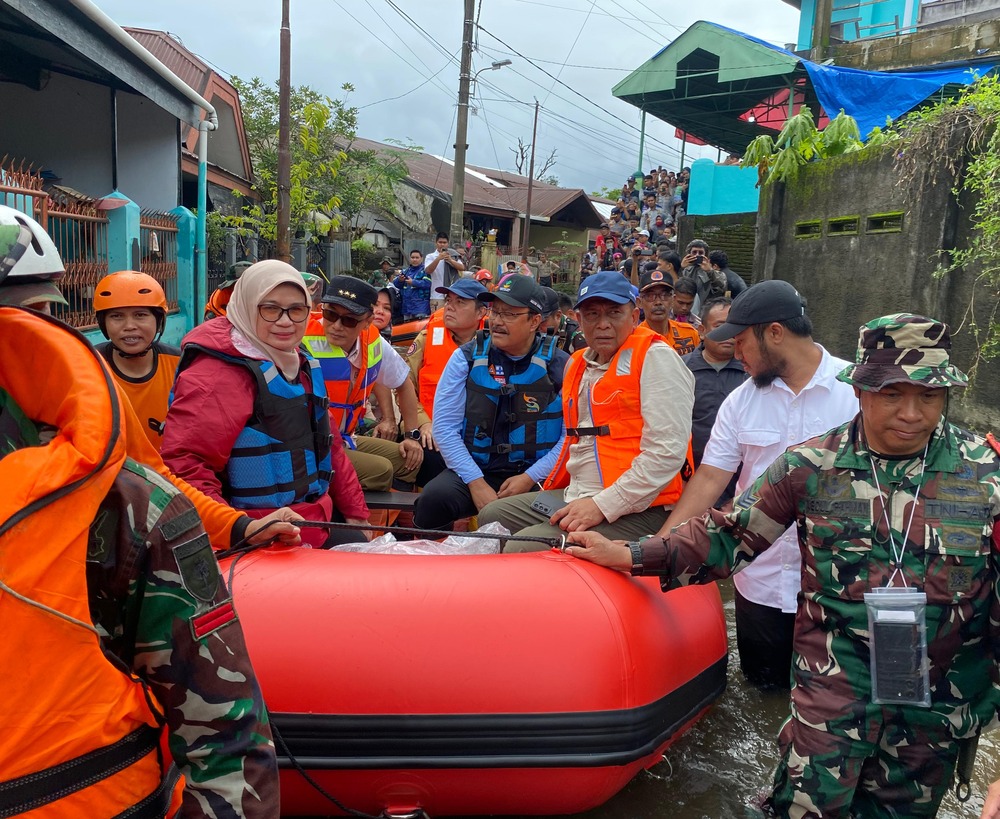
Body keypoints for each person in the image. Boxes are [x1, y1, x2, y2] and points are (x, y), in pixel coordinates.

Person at [567, 313, 1000, 818]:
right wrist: (630, 554)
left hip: (939, 706)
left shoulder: (986, 474)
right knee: (800, 808)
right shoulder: (811, 466)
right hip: (833, 692)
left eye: (928, 396)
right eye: (892, 394)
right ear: (859, 391)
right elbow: (729, 536)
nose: (911, 413)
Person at [0, 220, 280, 816]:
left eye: (142, 316)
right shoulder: (104, 432)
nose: (132, 328)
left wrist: (237, 526)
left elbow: (161, 480)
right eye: (118, 318)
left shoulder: (119, 444)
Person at [0, 205, 300, 552]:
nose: (36, 328)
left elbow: (154, 475)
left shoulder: (84, 385)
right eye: (17, 315)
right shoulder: (93, 370)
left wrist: (238, 526)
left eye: (42, 310)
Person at [661, 280, 858, 688]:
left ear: (774, 333)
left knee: (836, 697)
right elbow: (712, 477)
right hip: (760, 580)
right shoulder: (742, 400)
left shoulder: (855, 392)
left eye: (741, 342)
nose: (736, 354)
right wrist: (664, 544)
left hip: (838, 587)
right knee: (761, 692)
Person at [479, 270, 695, 551]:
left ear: (634, 316)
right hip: (581, 491)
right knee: (491, 514)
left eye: (614, 313)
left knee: (522, 546)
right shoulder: (578, 363)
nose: (603, 324)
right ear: (578, 320)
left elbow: (667, 453)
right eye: (592, 315)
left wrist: (600, 506)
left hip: (645, 504)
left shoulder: (656, 359)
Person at [163, 260, 370, 547]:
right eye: (270, 308)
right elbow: (185, 466)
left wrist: (356, 513)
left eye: (297, 310)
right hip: (255, 535)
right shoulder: (216, 375)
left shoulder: (298, 360)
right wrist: (240, 529)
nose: (285, 321)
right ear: (247, 307)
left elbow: (329, 441)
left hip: (311, 522)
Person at [413, 276, 568, 530]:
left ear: (534, 321)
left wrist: (529, 477)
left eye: (508, 314)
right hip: (476, 468)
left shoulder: (562, 365)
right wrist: (476, 481)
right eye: (495, 312)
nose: (497, 321)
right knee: (433, 500)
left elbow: (569, 438)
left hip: (538, 475)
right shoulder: (466, 358)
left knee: (559, 517)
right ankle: (431, 559)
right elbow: (445, 428)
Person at [300, 275, 426, 493]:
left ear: (368, 320)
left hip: (345, 438)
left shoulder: (374, 342)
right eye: (330, 314)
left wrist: (410, 436)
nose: (336, 325)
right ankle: (352, 523)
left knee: (409, 460)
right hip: (310, 444)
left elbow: (404, 385)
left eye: (349, 320)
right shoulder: (299, 336)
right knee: (381, 469)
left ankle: (384, 526)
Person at [92, 271, 180, 450]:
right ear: (104, 324)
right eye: (116, 316)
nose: (129, 326)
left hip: (170, 472)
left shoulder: (180, 365)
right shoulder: (90, 366)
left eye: (140, 315)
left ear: (158, 321)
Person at [406, 278, 489, 423]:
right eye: (448, 300)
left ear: (480, 312)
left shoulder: (495, 343)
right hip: (430, 430)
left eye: (460, 302)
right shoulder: (426, 339)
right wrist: (423, 423)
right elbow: (404, 386)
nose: (449, 307)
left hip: (478, 434)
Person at [680, 297, 747, 468]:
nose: (728, 335)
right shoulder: (681, 368)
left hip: (737, 467)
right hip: (687, 466)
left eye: (733, 327)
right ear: (702, 331)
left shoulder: (752, 372)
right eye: (720, 326)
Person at [637, 265, 700, 356]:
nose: (658, 302)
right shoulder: (634, 339)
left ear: (672, 300)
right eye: (650, 296)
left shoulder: (690, 333)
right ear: (639, 302)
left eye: (665, 295)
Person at [425, 231, 465, 309]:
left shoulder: (453, 255)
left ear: (447, 243)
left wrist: (450, 260)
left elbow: (462, 268)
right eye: (440, 242)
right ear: (436, 243)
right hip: (437, 295)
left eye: (444, 242)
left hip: (452, 294)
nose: (442, 244)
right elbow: (428, 270)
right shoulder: (430, 256)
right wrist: (438, 258)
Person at [394, 248, 431, 320]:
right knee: (407, 330)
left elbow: (427, 283)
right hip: (406, 308)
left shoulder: (425, 270)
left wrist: (413, 282)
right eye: (412, 257)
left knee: (420, 330)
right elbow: (396, 284)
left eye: (417, 257)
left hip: (420, 307)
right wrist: (400, 280)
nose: (414, 259)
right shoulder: (406, 271)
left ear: (421, 259)